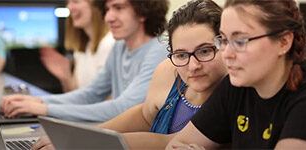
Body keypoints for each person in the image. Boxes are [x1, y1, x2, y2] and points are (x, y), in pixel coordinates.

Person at [31, 0, 226, 149]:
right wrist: (81, 136)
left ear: (225, 44)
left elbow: (172, 142)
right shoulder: (169, 69)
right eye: (181, 54)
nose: (193, 66)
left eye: (205, 51)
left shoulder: (234, 90)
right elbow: (143, 114)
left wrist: (80, 142)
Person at [167, 0, 306, 149]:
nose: (226, 53)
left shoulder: (304, 99)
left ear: (283, 42)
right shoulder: (235, 87)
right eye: (224, 40)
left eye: (240, 40)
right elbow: (177, 145)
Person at [0, 0, 169, 122]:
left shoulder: (158, 49)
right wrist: (37, 101)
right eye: (107, 9)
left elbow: (125, 108)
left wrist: (44, 109)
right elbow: (91, 94)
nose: (108, 17)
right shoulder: (120, 47)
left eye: (119, 8)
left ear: (143, 12)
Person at [40, 0, 115, 92]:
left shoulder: (110, 43)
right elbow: (75, 95)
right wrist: (65, 77)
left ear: (95, 6)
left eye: (76, 2)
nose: (69, 7)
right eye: (68, 3)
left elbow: (108, 100)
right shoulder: (82, 48)